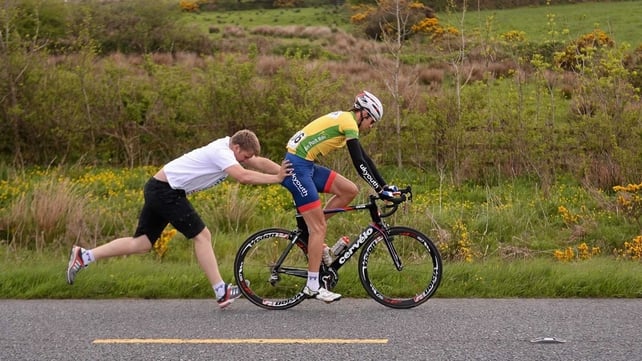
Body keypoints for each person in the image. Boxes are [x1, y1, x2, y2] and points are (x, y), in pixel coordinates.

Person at [66, 129, 292, 308]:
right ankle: (221, 291)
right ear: (236, 147)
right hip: (165, 191)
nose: (246, 160)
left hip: (160, 188)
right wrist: (275, 180)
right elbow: (243, 177)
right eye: (244, 156)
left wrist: (285, 173)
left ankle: (84, 256)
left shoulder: (231, 149)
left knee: (142, 243)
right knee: (203, 236)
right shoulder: (221, 152)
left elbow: (258, 162)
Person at [281, 90, 398, 303]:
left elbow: (365, 158)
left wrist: (384, 186)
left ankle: (313, 228)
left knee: (349, 190)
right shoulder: (349, 123)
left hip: (305, 165)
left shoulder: (347, 121)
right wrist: (380, 191)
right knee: (319, 229)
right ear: (363, 113)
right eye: (372, 121)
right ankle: (313, 285)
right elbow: (359, 164)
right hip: (296, 167)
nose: (372, 126)